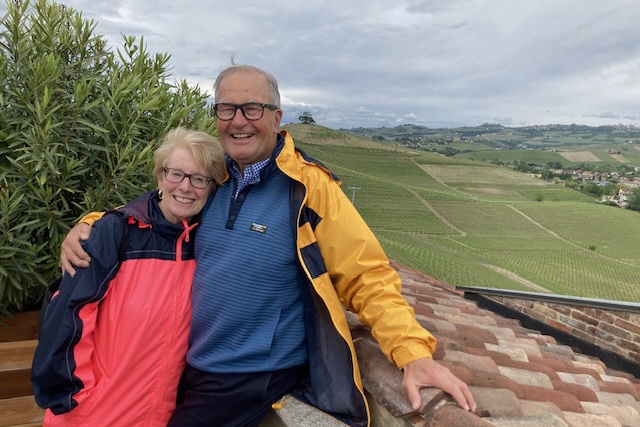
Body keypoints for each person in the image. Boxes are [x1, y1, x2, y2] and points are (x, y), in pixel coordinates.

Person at [60, 64, 476, 427]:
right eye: (227, 108)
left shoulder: (309, 188)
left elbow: (365, 273)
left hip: (249, 371)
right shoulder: (214, 176)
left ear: (276, 116)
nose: (239, 120)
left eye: (252, 108)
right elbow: (158, 211)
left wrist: (412, 353)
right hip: (189, 358)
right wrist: (94, 225)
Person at [32, 127, 226, 427]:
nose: (186, 187)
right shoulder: (116, 232)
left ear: (210, 186)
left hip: (158, 417)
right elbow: (68, 316)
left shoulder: (205, 243)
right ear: (160, 176)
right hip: (91, 414)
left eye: (199, 178)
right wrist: (75, 399)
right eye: (176, 174)